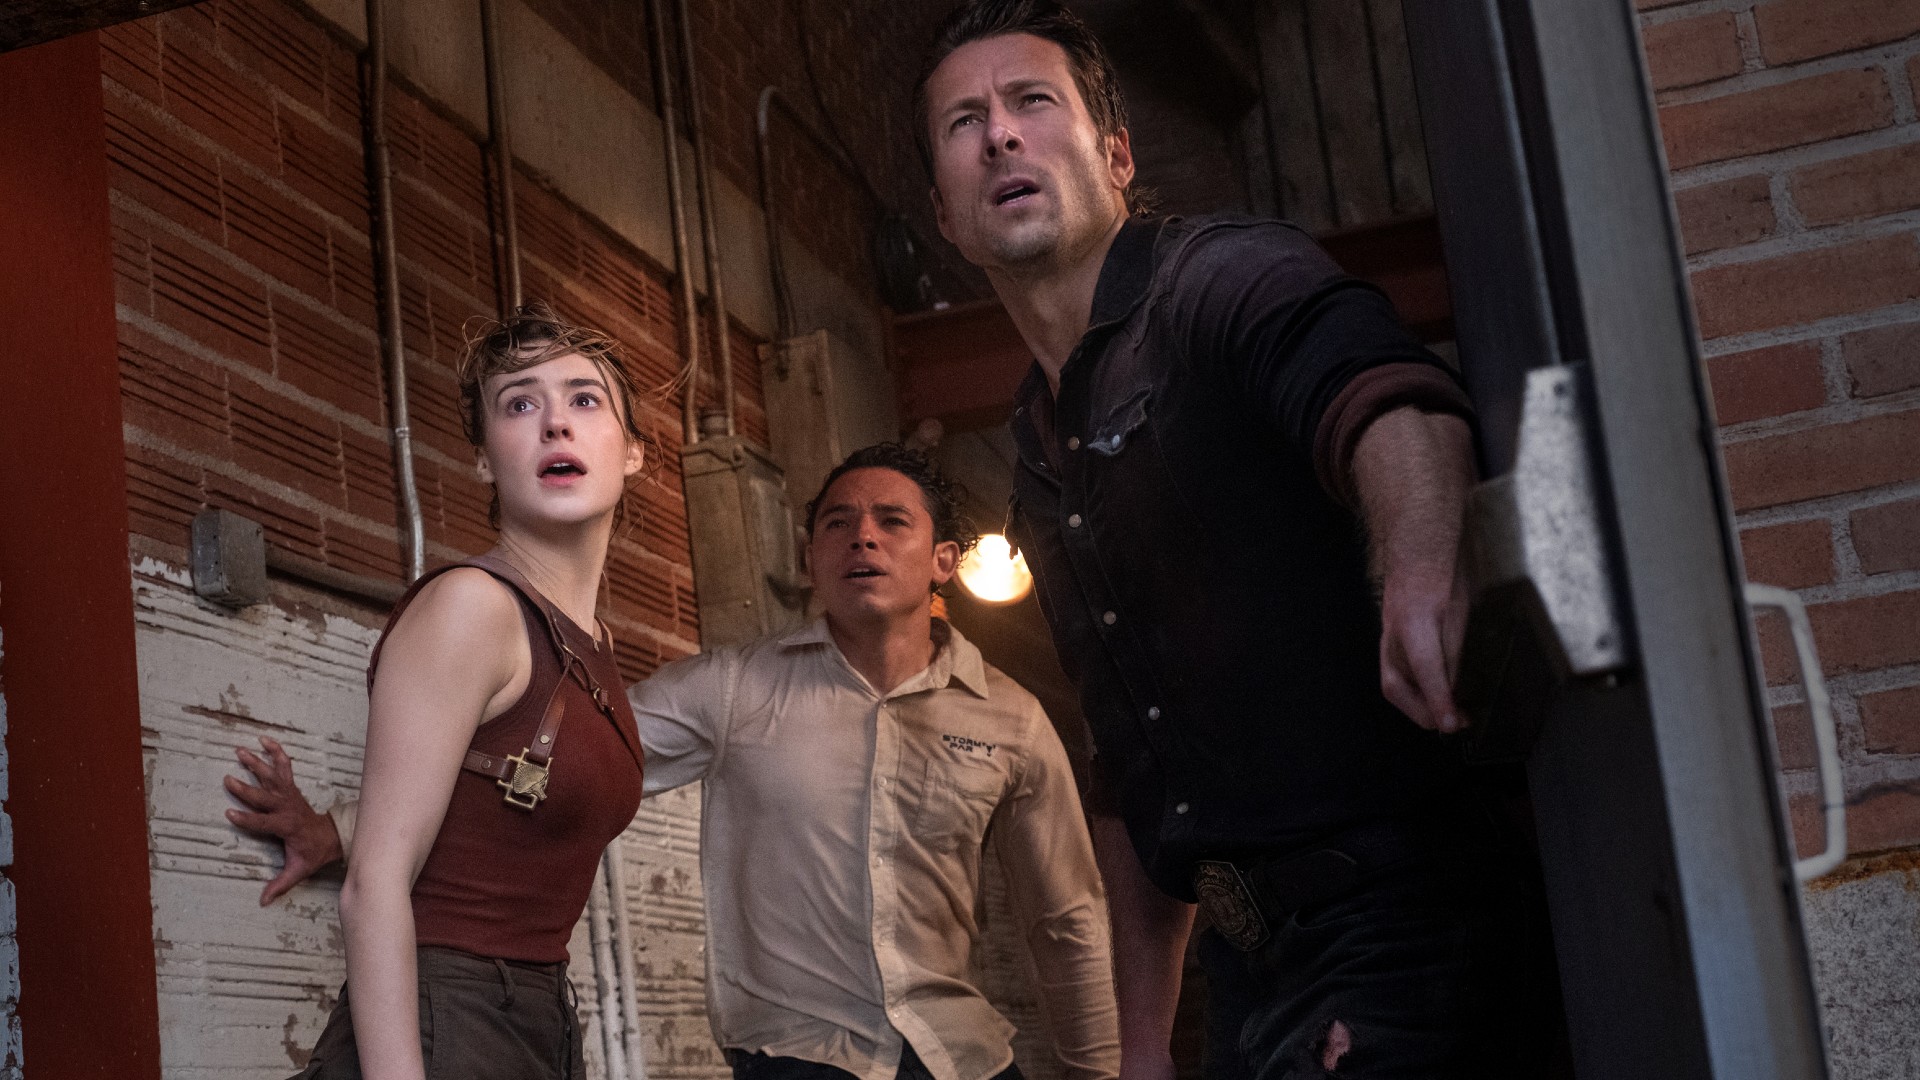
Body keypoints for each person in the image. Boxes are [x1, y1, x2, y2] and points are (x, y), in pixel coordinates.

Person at [912, 3, 1559, 1078]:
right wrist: (1144, 1044)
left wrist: (1421, 563)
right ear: (944, 212)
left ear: (1117, 156)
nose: (1001, 136)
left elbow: (1384, 396)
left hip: (1405, 923)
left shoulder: (1219, 279)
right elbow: (1131, 770)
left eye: (1033, 102)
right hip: (1254, 971)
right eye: (964, 122)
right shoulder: (1037, 445)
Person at [230, 443, 1121, 1080]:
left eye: (893, 523)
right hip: (797, 1060)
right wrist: (340, 831)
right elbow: (552, 757)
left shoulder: (1012, 719)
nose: (863, 539)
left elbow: (1066, 916)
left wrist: (1100, 1072)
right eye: (838, 524)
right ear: (810, 558)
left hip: (961, 1054)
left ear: (942, 562)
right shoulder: (733, 691)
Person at [296, 300, 653, 1079]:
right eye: (519, 404)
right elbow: (376, 885)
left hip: (536, 1015)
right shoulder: (472, 607)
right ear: (486, 460)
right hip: (446, 1013)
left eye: (584, 400)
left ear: (632, 452)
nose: (554, 424)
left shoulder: (590, 644)